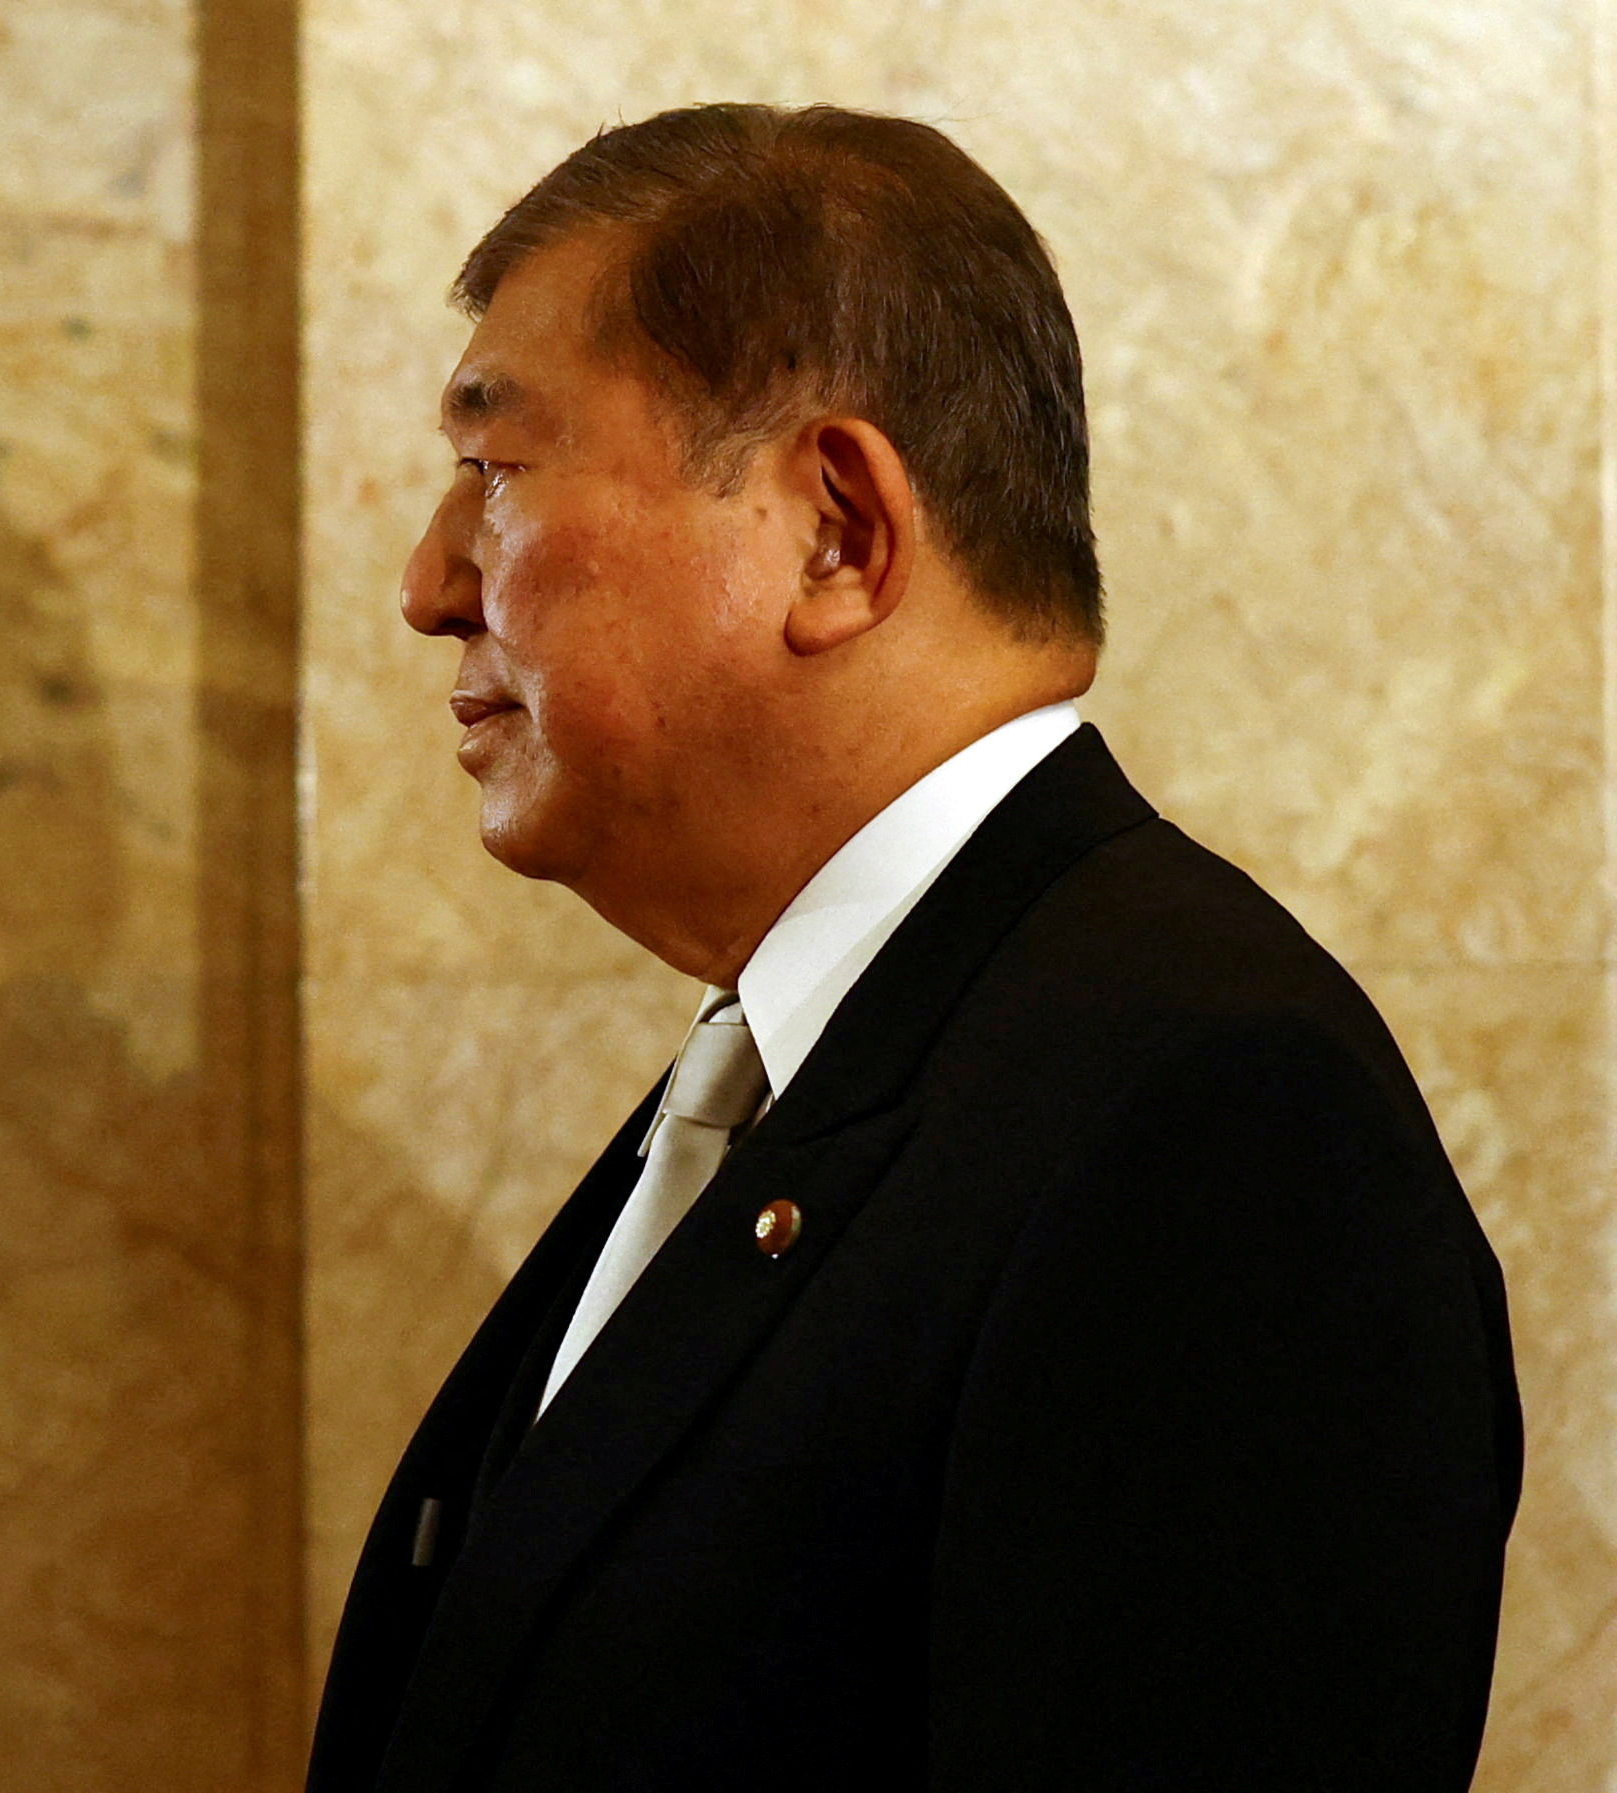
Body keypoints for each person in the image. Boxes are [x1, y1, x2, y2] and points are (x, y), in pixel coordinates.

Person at [307, 103, 1521, 1793]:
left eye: (498, 470)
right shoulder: (818, 1060)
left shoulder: (1213, 1129)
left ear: (835, 534)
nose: (430, 579)